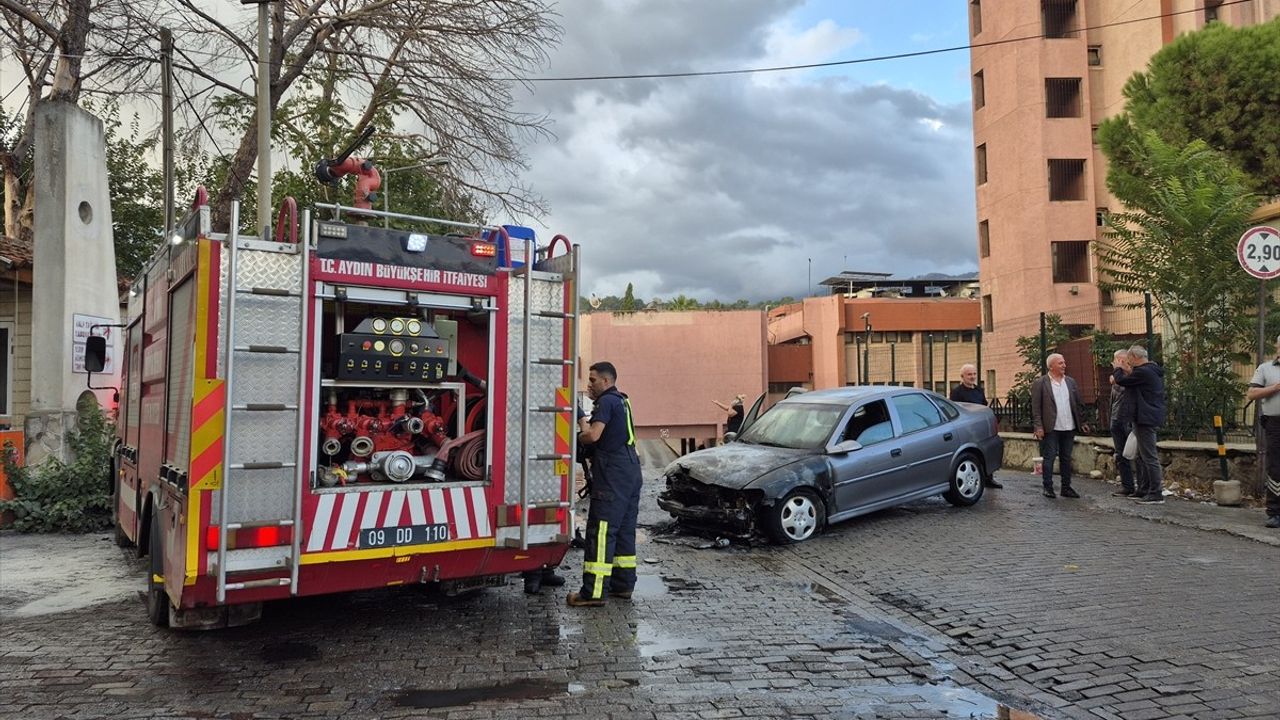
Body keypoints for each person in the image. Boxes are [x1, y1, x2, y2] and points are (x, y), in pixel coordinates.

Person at [567, 361, 644, 607]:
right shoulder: (622, 400)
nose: (589, 385)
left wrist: (576, 435)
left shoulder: (607, 401)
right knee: (623, 530)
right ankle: (622, 585)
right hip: (630, 470)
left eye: (592, 380)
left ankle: (594, 592)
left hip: (613, 474)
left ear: (606, 381)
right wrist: (583, 418)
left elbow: (593, 435)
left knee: (601, 531)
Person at [1111, 345, 1166, 505]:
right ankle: (1144, 489)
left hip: (1145, 418)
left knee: (1149, 456)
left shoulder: (1144, 372)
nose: (1128, 362)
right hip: (1144, 416)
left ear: (1135, 357)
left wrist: (1118, 368)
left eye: (1128, 359)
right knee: (1142, 456)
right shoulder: (1150, 371)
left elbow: (1122, 381)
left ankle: (1156, 493)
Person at [1031, 353, 1088, 499]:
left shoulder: (1070, 382)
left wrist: (1082, 422)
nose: (1064, 365)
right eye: (1060, 363)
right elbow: (1036, 408)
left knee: (1066, 458)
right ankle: (1048, 487)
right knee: (1049, 457)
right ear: (1051, 366)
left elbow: (1078, 403)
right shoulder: (1041, 383)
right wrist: (1038, 427)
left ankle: (1066, 487)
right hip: (1051, 427)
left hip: (1069, 426)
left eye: (1064, 363)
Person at [1245, 335, 1280, 528]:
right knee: (1275, 466)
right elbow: (1251, 393)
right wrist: (1275, 387)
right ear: (1278, 347)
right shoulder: (1265, 368)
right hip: (1275, 423)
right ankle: (1275, 512)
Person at [949, 365, 1002, 488]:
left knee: (986, 451)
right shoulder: (957, 392)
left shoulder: (979, 390)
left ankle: (989, 478)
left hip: (980, 425)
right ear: (962, 376)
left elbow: (983, 406)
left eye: (974, 374)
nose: (972, 377)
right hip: (967, 427)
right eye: (969, 374)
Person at [1108, 350, 1138, 498]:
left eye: (1117, 361)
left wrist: (1118, 376)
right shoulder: (1116, 378)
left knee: (1136, 453)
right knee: (1121, 455)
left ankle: (1143, 486)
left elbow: (1126, 391)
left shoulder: (1132, 376)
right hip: (1116, 418)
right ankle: (1127, 486)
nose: (1115, 364)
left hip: (1127, 420)